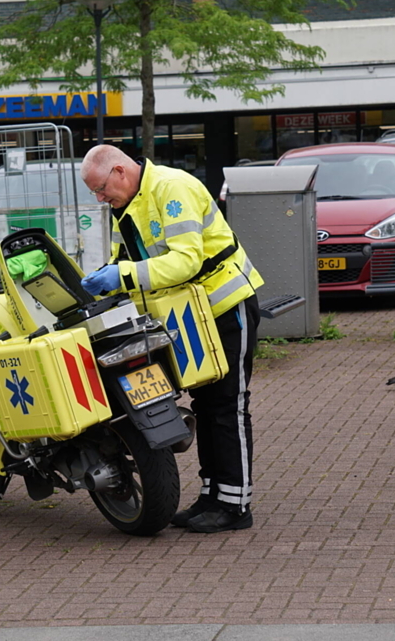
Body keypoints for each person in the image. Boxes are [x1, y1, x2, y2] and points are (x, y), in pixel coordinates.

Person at [79, 144, 264, 533]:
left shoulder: (171, 188)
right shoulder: (126, 206)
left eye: (100, 188)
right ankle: (213, 497)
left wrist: (122, 276)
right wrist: (104, 280)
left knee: (228, 405)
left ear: (119, 171)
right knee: (207, 403)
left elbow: (186, 260)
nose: (99, 198)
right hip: (190, 317)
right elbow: (123, 261)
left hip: (225, 306)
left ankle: (236, 506)